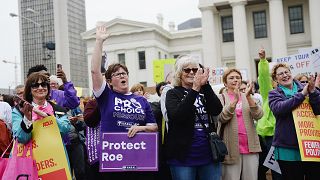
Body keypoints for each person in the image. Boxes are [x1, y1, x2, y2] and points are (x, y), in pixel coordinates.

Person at [91, 25, 158, 179]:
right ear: (109, 81)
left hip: (139, 157)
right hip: (113, 158)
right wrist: (99, 42)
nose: (122, 76)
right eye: (117, 74)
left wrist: (140, 128)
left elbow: (153, 127)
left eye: (124, 73)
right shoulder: (105, 96)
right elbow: (95, 71)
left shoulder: (141, 99)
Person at [165, 55, 223, 180]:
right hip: (183, 156)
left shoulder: (204, 91)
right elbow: (177, 116)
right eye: (187, 70)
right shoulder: (172, 93)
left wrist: (205, 85)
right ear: (180, 74)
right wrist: (195, 89)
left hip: (208, 154)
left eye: (195, 70)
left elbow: (216, 109)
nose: (191, 72)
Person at [268, 63, 320, 179]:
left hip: (310, 146)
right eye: (280, 74)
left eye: (287, 72)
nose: (285, 75)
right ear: (276, 79)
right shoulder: (274, 94)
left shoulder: (307, 87)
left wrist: (313, 92)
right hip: (288, 150)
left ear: (291, 74)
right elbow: (279, 108)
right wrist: (302, 95)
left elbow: (318, 109)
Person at [218, 68, 263, 180]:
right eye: (231, 78)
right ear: (225, 82)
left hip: (250, 147)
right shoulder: (220, 98)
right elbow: (222, 118)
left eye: (238, 77)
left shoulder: (248, 97)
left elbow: (259, 115)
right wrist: (234, 101)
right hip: (230, 149)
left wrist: (248, 97)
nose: (235, 80)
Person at [256, 48, 282, 180]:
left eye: (285, 74)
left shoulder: (295, 92)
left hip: (290, 136)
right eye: (278, 76)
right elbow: (264, 77)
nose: (282, 77)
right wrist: (263, 60)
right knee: (277, 171)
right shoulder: (269, 93)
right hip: (272, 135)